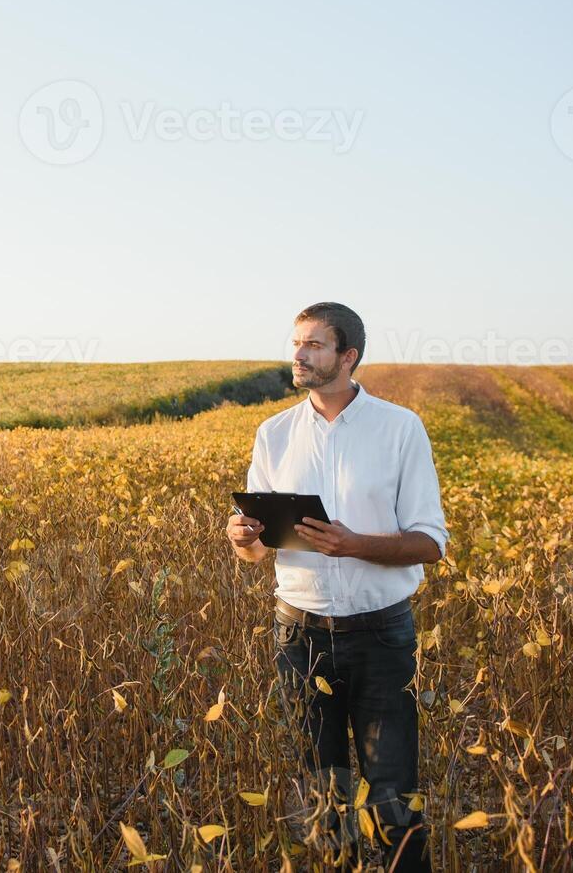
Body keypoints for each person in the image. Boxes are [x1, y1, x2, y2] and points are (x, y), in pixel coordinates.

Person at [226, 302, 448, 873]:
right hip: (298, 635)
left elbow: (429, 543)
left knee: (394, 794)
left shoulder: (401, 428)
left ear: (348, 356)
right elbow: (255, 553)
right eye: (296, 343)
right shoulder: (273, 434)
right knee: (322, 797)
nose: (298, 354)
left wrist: (354, 544)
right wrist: (242, 536)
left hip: (382, 636)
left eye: (314, 345)